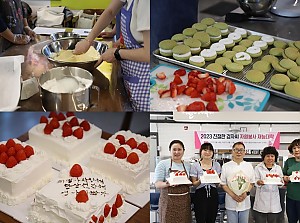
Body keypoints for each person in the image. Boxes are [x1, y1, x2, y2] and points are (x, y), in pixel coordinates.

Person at [74, 0, 150, 111]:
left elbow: (148, 53)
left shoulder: (145, 4)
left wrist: (116, 53)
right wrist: (88, 40)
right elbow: (110, 11)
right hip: (130, 74)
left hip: (144, 80)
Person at [154, 140, 192, 223]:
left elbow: (190, 182)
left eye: (179, 149)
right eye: (174, 149)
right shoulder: (163, 164)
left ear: (183, 151)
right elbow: (157, 184)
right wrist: (167, 184)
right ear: (170, 150)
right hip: (168, 202)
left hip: (184, 202)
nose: (177, 152)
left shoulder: (188, 165)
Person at [220, 142, 255, 223]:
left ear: (244, 152)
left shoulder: (249, 166)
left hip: (245, 201)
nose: (239, 152)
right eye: (236, 150)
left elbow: (252, 182)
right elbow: (223, 184)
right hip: (231, 201)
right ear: (232, 151)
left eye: (241, 150)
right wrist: (233, 195)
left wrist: (245, 193)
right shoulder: (226, 166)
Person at [190, 142, 221, 223]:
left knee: (212, 218)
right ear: (201, 152)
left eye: (210, 150)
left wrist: (216, 181)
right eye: (205, 150)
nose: (207, 152)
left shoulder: (217, 165)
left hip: (213, 194)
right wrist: (201, 180)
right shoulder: (195, 165)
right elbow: (194, 184)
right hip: (200, 194)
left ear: (213, 153)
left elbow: (218, 184)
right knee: (200, 218)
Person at [253, 146, 283, 223]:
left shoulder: (278, 168)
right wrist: (258, 182)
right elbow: (255, 181)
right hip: (261, 200)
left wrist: (281, 183)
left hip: (274, 202)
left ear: (275, 157)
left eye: (272, 156)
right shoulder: (258, 168)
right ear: (264, 157)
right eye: (267, 156)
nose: (270, 158)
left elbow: (281, 181)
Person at [283, 138, 300, 223]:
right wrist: (285, 178)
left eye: (299, 147)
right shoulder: (288, 162)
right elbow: (282, 175)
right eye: (294, 148)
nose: (296, 150)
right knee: (291, 220)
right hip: (290, 198)